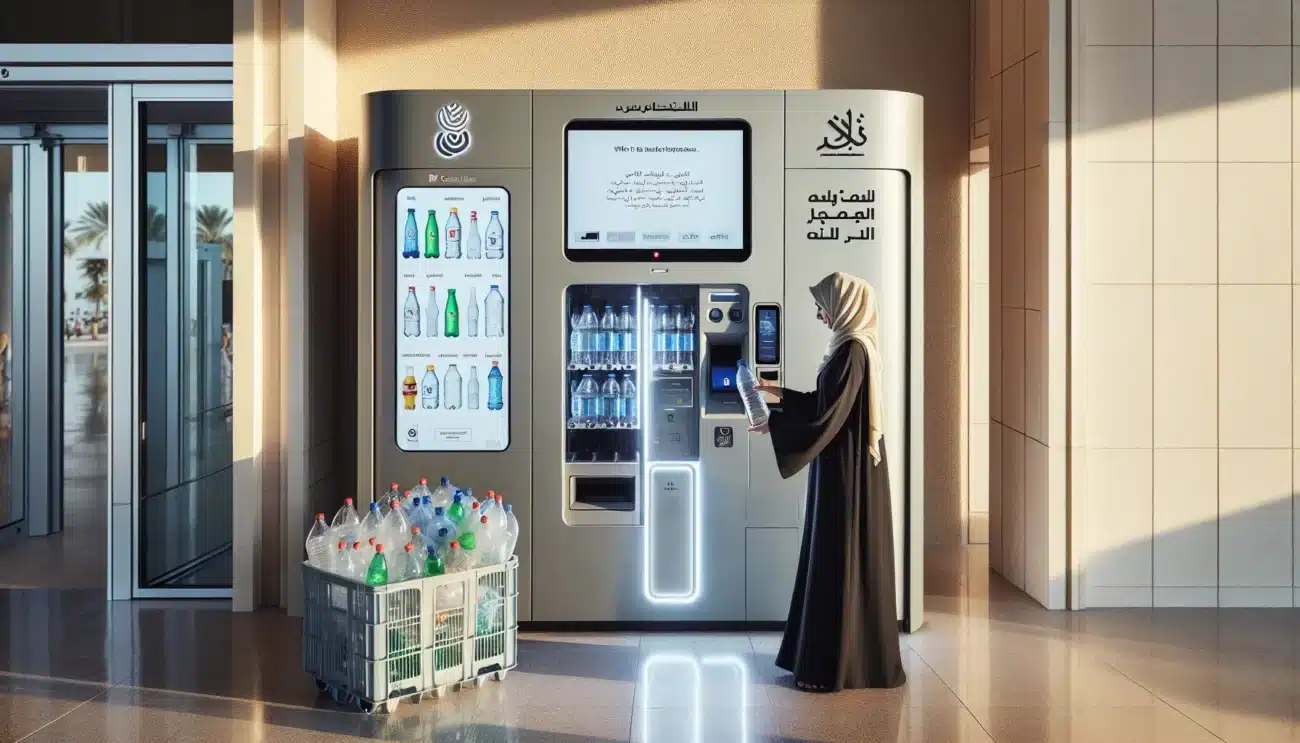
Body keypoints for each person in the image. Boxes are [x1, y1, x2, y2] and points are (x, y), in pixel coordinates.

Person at [749, 271, 905, 691]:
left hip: (846, 471)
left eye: (825, 304)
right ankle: (834, 660)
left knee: (838, 558)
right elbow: (826, 403)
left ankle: (832, 667)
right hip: (843, 463)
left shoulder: (853, 350)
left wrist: (776, 423)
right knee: (836, 558)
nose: (820, 313)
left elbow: (826, 416)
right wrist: (776, 393)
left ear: (846, 305)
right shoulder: (851, 347)